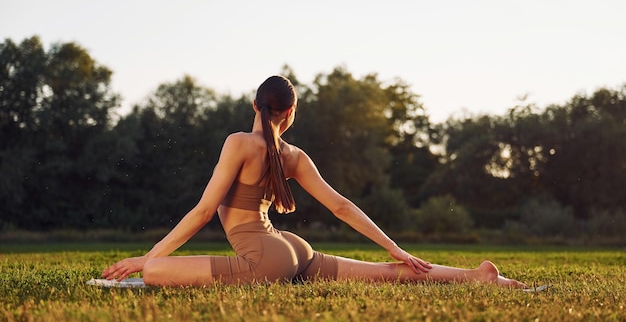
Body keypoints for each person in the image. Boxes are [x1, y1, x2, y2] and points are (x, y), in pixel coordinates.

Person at [102, 75, 527, 288]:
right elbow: (341, 205)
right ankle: (477, 276)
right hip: (294, 251)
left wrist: (147, 258)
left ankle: (478, 277)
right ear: (290, 113)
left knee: (156, 274)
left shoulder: (238, 143)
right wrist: (395, 247)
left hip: (265, 261)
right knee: (390, 271)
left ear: (255, 105)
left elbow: (202, 211)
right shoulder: (295, 156)